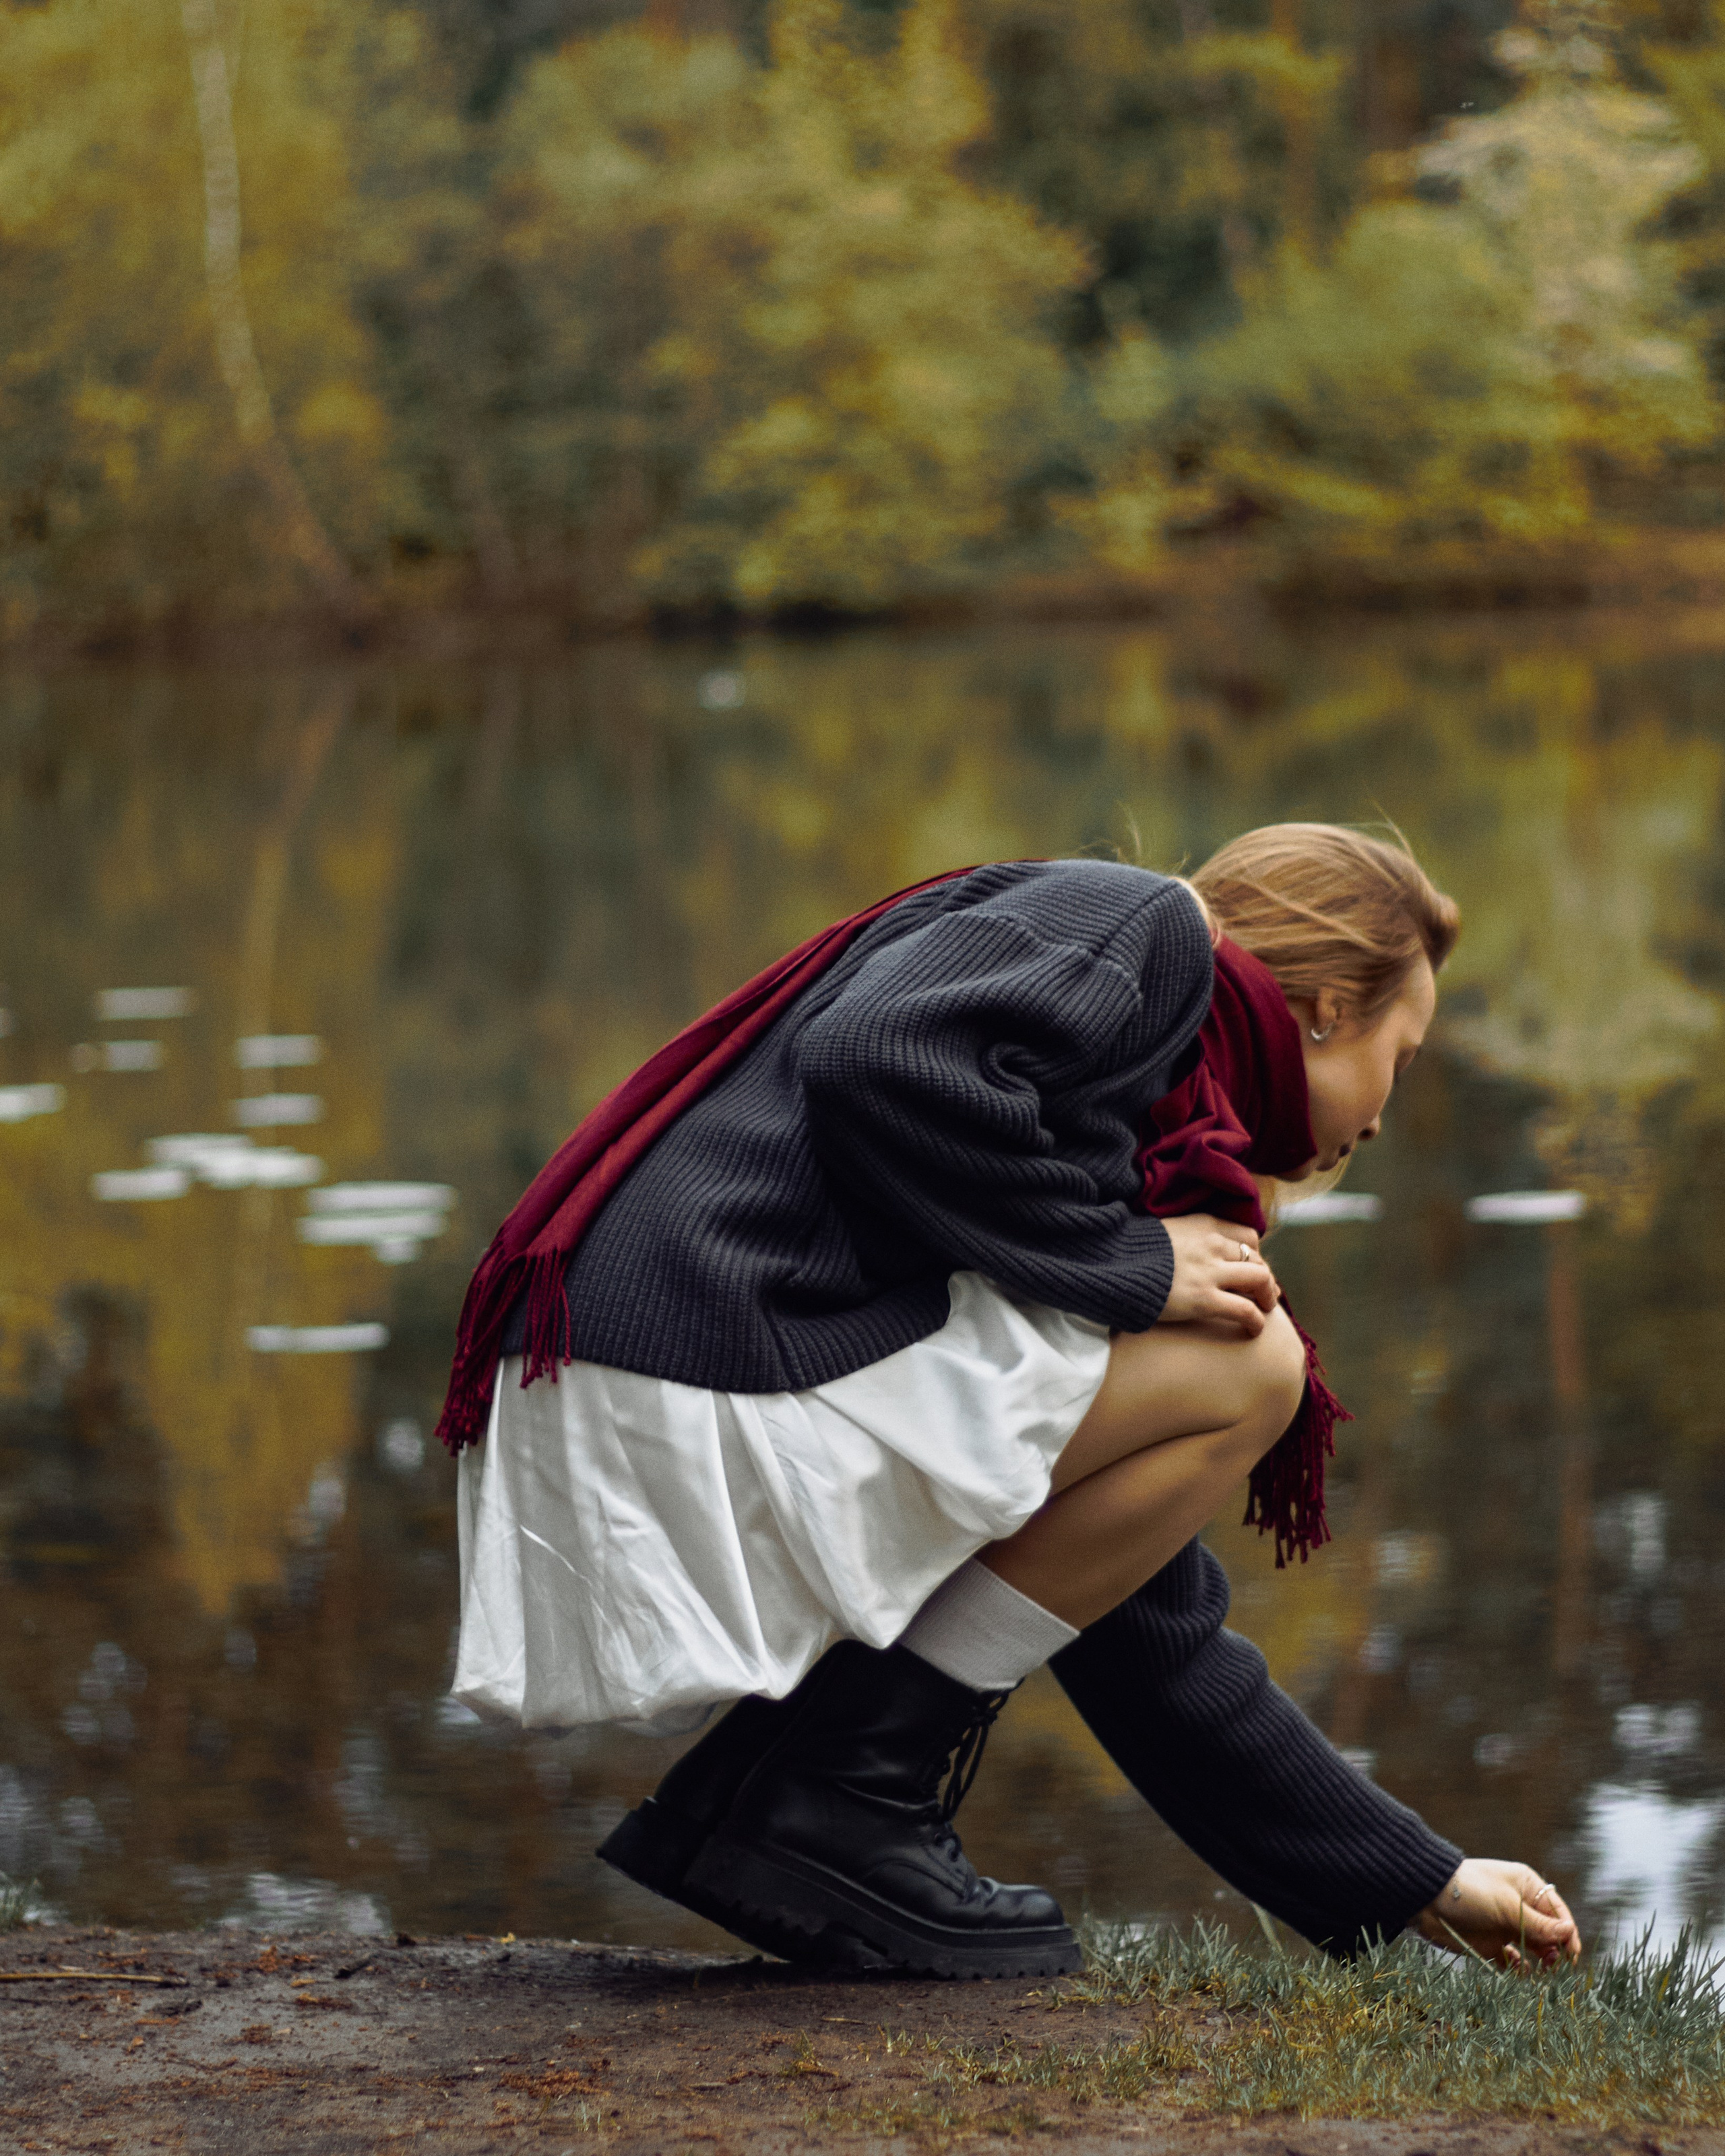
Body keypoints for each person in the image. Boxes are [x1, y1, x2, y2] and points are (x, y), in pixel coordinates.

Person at [443, 825, 1582, 1979]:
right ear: (1333, 1005)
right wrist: (1131, 1263)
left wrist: (1408, 1880)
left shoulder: (1111, 1111)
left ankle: (796, 1806)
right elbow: (870, 1054)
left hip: (660, 1381)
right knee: (1256, 1366)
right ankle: (826, 1801)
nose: (1389, 1114)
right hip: (683, 1373)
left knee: (1235, 1375)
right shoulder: (1146, 931)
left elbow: (1140, 1628)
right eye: (1409, 1055)